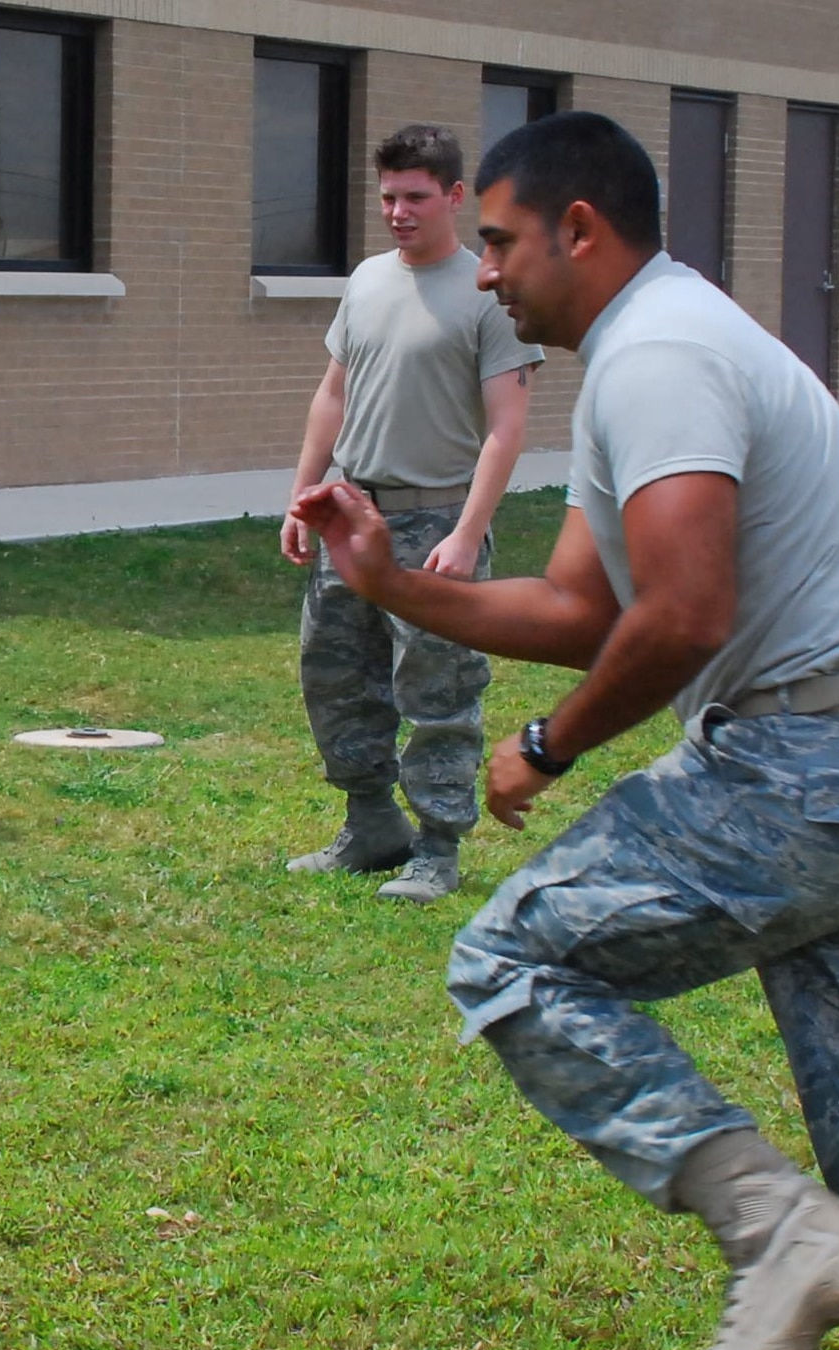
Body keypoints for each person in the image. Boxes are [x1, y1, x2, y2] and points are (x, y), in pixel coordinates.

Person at [291, 112, 839, 1350]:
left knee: (516, 958)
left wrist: (549, 744)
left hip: (829, 763)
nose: (485, 275)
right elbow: (578, 608)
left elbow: (688, 615)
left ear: (580, 229)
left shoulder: (659, 353)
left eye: (500, 241)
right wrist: (386, 579)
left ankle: (773, 1232)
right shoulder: (674, 348)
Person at [280, 122, 541, 904]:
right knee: (336, 675)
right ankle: (371, 825)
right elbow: (334, 394)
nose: (398, 211)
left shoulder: (486, 291)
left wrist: (466, 533)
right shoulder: (365, 280)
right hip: (351, 511)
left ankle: (437, 846)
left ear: (455, 197)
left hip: (435, 523)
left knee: (438, 688)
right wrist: (304, 496)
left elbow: (508, 426)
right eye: (388, 196)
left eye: (415, 197)